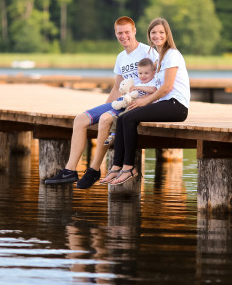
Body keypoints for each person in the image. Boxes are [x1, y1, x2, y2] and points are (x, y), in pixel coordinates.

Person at [45, 16, 158, 188]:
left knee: (106, 119)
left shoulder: (148, 52)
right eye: (120, 33)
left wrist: (147, 100)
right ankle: (69, 171)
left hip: (140, 103)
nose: (124, 36)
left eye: (127, 32)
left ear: (134, 31)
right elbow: (116, 87)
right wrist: (105, 107)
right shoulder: (121, 57)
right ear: (115, 33)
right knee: (81, 119)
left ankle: (94, 169)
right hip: (122, 100)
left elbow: (159, 81)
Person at [100, 17, 190, 185]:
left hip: (176, 105)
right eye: (153, 33)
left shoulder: (172, 54)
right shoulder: (159, 59)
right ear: (149, 35)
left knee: (129, 118)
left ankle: (129, 168)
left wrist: (144, 102)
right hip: (165, 103)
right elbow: (155, 86)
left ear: (167, 34)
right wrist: (140, 95)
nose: (157, 36)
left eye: (161, 32)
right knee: (122, 118)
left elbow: (167, 88)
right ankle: (116, 166)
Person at [103, 57, 157, 147]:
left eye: (146, 73)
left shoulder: (153, 82)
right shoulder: (139, 84)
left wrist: (139, 88)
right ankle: (113, 134)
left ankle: (115, 135)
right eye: (140, 73)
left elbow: (154, 90)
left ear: (153, 73)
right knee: (119, 116)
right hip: (135, 106)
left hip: (147, 107)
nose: (143, 76)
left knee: (123, 116)